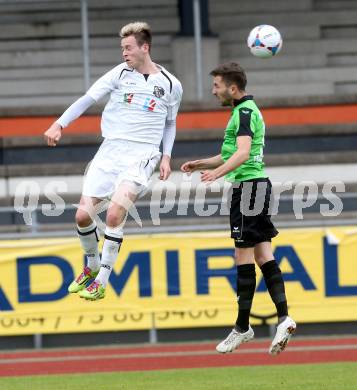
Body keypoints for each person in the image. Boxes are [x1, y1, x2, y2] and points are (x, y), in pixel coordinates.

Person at [44, 21, 183, 301]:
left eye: (129, 48)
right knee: (82, 215)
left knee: (114, 214)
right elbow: (88, 99)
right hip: (110, 152)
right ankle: (92, 266)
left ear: (145, 47)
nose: (124, 53)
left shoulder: (170, 84)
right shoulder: (119, 74)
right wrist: (60, 124)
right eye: (122, 48)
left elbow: (170, 124)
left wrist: (166, 156)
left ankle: (102, 282)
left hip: (143, 154)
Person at [181, 62, 296, 355]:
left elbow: (243, 154)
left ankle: (243, 326)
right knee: (262, 254)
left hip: (248, 188)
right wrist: (201, 164)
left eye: (217, 85)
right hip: (257, 186)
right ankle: (283, 318)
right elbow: (230, 154)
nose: (213, 91)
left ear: (233, 88)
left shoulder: (243, 112)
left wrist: (216, 175)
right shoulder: (245, 112)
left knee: (243, 256)